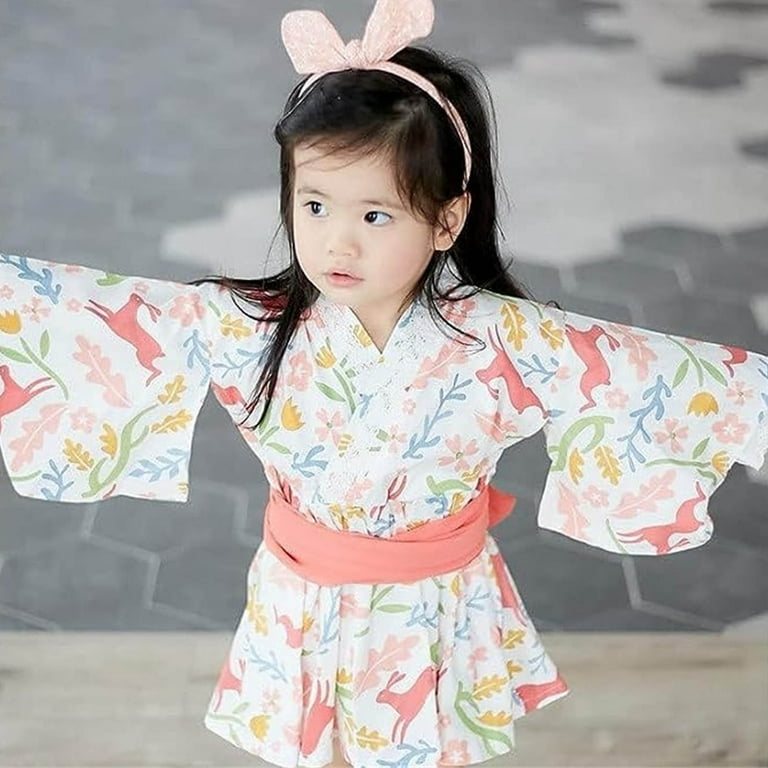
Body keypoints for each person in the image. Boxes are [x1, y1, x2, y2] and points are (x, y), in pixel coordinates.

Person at [0, 0, 766, 766]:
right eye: (315, 204)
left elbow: (657, 376)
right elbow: (81, 317)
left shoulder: (506, 339)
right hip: (300, 603)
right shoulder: (244, 323)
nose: (337, 241)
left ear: (447, 219)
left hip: (434, 609)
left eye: (375, 215)